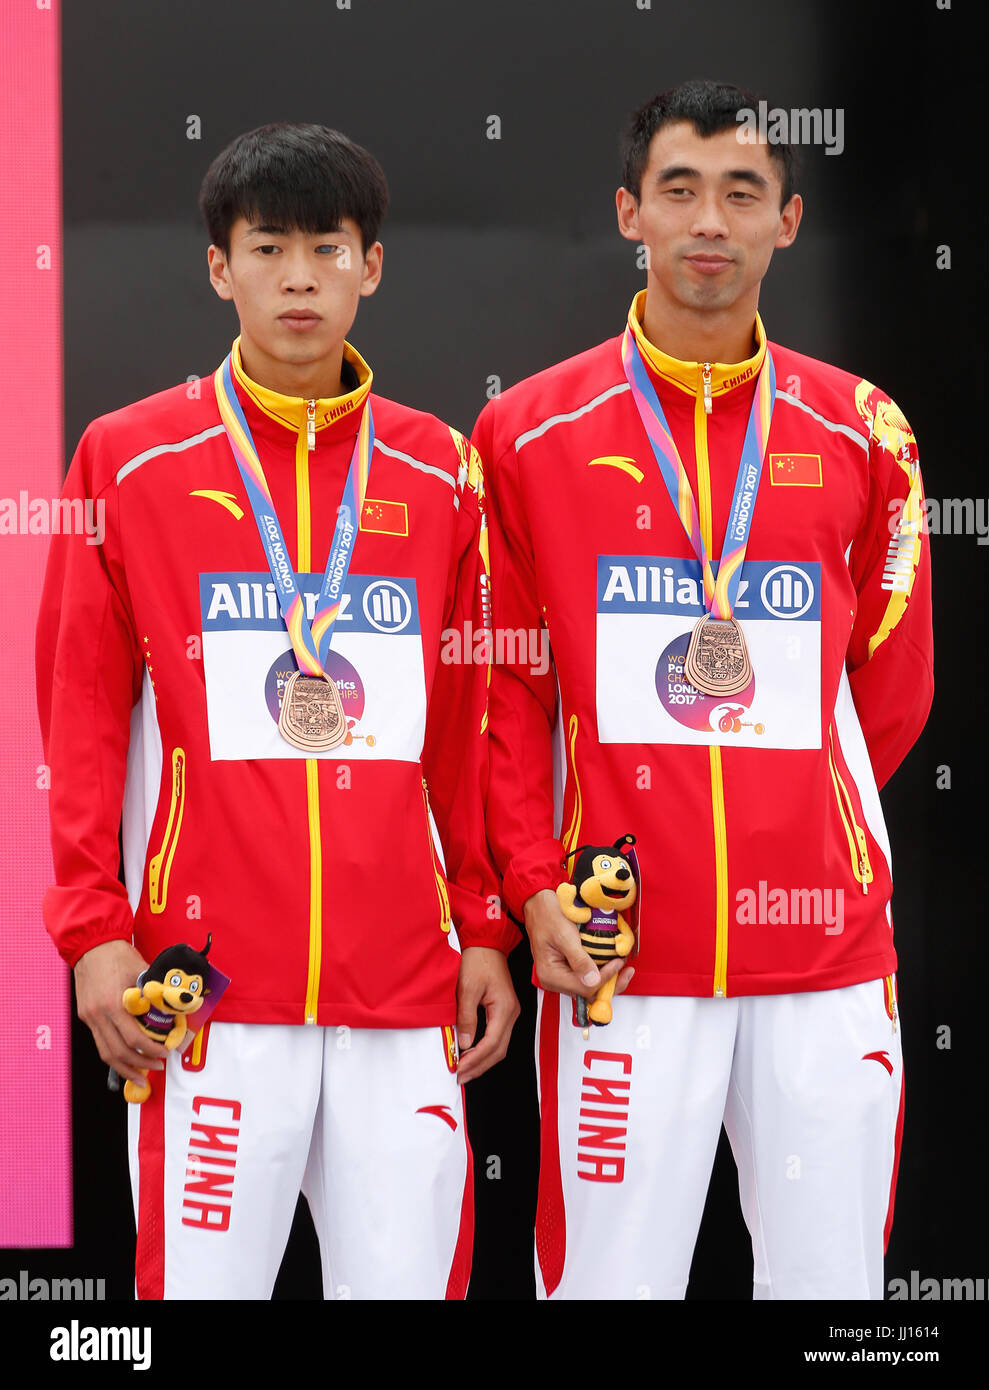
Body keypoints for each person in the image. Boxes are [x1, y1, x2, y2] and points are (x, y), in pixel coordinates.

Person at [36, 122, 520, 1300]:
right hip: (203, 992)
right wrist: (94, 930)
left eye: (326, 246)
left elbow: (470, 725)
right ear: (219, 268)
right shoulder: (129, 459)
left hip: (404, 992)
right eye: (268, 249)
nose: (298, 276)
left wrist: (485, 926)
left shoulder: (437, 471)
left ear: (372, 265)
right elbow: (81, 713)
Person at [473, 80, 932, 1300]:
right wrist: (529, 889)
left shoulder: (862, 431)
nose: (708, 221)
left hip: (822, 954)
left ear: (789, 220)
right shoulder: (523, 435)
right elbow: (502, 699)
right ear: (630, 211)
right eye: (678, 190)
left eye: (742, 193)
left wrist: (795, 825)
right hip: (619, 952)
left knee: (830, 1292)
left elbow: (889, 683)